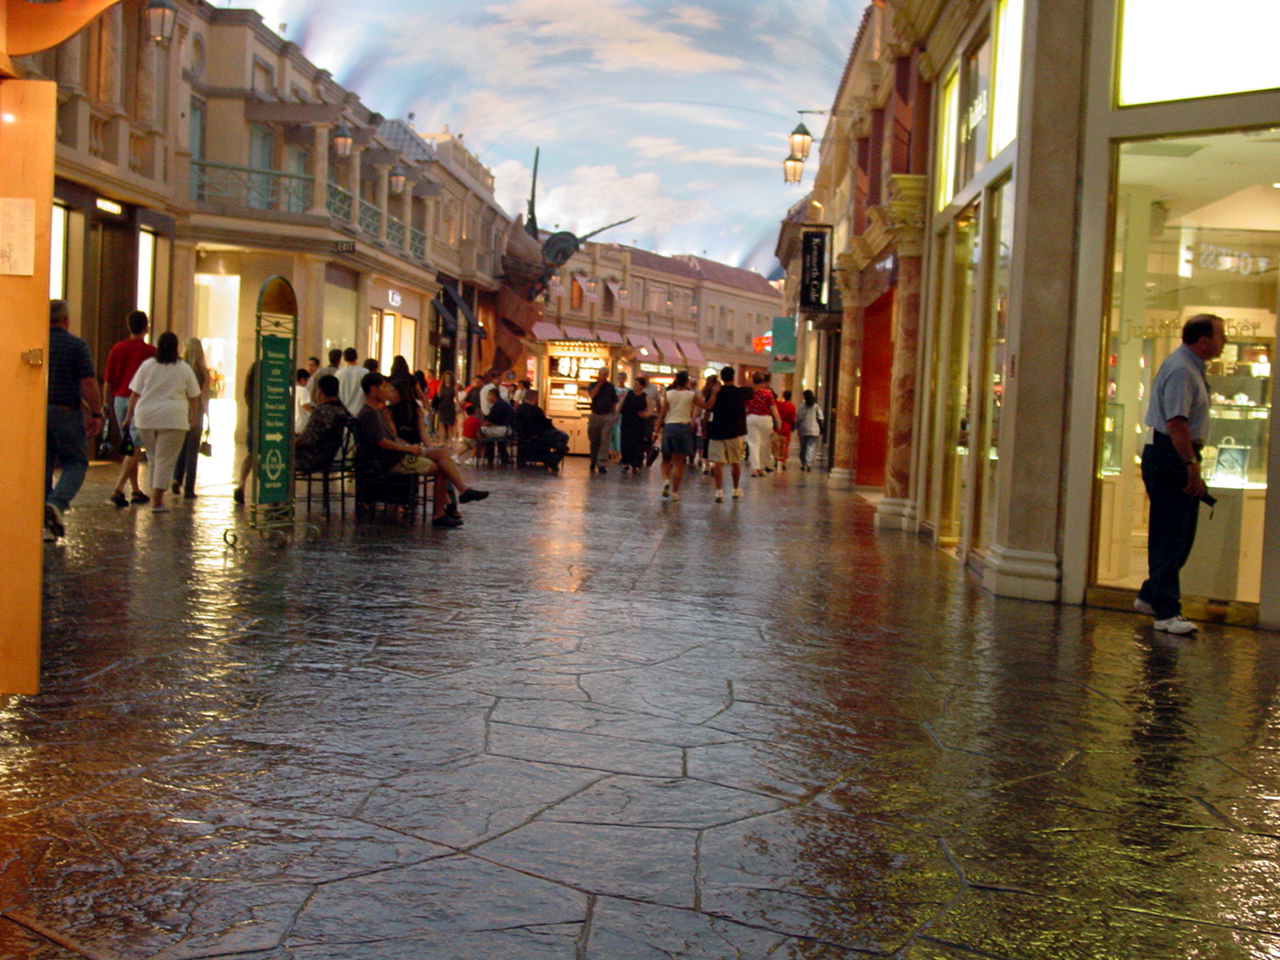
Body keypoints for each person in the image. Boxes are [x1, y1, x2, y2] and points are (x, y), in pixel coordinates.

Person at [1135, 314, 1227, 635]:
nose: (1224, 342)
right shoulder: (1182, 370)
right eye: (1221, 336)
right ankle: (1166, 611)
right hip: (1171, 455)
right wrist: (1190, 465)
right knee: (1171, 534)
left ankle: (1151, 596)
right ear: (1203, 341)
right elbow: (1177, 423)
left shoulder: (1188, 367)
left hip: (1172, 454)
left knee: (1180, 534)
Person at [353, 372, 488, 528]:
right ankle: (442, 511)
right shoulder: (370, 413)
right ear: (373, 389)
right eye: (383, 387)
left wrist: (414, 447)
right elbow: (383, 442)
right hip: (388, 460)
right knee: (440, 469)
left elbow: (394, 438)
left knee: (439, 454)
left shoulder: (377, 411)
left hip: (396, 454)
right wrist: (408, 448)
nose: (386, 391)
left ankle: (461, 493)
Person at [123, 331, 201, 513]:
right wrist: (194, 415)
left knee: (153, 457)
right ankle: (157, 500)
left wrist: (128, 416)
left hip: (145, 417)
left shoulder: (147, 366)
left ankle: (155, 494)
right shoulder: (183, 368)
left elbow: (135, 393)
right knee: (165, 459)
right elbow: (194, 396)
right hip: (173, 418)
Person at [44, 299, 103, 540]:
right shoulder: (76, 345)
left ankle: (45, 525)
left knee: (43, 466)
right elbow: (88, 382)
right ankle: (56, 504)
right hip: (67, 412)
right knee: (76, 462)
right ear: (66, 320)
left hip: (40, 412)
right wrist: (96, 413)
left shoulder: (38, 342)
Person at [104, 310, 156, 507]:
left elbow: (108, 380)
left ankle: (135, 490)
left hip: (119, 399)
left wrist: (106, 403)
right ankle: (118, 489)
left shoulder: (118, 349)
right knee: (133, 446)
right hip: (140, 401)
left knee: (130, 445)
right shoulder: (151, 352)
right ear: (146, 327)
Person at [704, 365, 751, 502]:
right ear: (733, 377)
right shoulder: (739, 392)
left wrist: (705, 426)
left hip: (717, 430)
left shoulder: (716, 392)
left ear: (722, 377)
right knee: (735, 462)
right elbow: (753, 389)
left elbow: (708, 409)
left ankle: (719, 491)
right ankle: (735, 489)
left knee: (718, 462)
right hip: (734, 431)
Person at [171, 338, 210, 499]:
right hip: (196, 411)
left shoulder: (180, 369)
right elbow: (204, 397)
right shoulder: (203, 372)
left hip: (180, 410)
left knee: (180, 447)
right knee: (192, 451)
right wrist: (207, 416)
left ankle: (176, 479)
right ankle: (189, 488)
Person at [294, 374, 351, 474]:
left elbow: (306, 440)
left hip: (313, 459)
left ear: (320, 391)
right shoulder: (341, 410)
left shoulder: (322, 412)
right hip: (331, 456)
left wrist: (290, 442)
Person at [655, 371, 696, 501]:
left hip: (669, 427)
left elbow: (662, 414)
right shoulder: (691, 395)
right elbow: (707, 406)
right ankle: (675, 492)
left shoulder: (669, 394)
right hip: (683, 428)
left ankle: (666, 480)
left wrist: (656, 431)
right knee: (679, 463)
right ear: (687, 381)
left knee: (666, 459)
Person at [513, 390, 569, 470]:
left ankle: (553, 458)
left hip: (524, 436)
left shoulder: (519, 409)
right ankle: (553, 459)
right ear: (535, 398)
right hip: (539, 435)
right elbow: (545, 425)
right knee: (564, 438)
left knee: (561, 444)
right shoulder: (536, 410)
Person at [745, 370, 781, 477]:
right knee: (764, 444)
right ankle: (761, 468)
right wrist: (778, 420)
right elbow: (773, 408)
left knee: (753, 444)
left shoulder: (749, 392)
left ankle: (754, 468)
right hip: (765, 419)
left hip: (751, 417)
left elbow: (744, 405)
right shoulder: (767, 392)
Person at [587, 366, 618, 474]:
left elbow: (614, 401)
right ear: (599, 375)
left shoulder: (610, 387)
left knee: (605, 440)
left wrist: (613, 414)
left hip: (607, 415)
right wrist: (599, 384)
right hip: (595, 415)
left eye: (607, 375)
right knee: (594, 439)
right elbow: (592, 395)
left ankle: (602, 464)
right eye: (604, 374)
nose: (605, 377)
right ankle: (593, 460)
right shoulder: (593, 385)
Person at [618, 379, 651, 475]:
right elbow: (621, 405)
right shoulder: (628, 394)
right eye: (634, 384)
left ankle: (636, 464)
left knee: (637, 443)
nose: (635, 386)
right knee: (625, 441)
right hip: (627, 421)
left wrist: (645, 415)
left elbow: (650, 410)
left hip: (638, 423)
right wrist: (617, 415)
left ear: (642, 386)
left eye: (637, 384)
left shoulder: (646, 397)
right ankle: (625, 462)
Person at [796, 389, 824, 472]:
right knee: (811, 447)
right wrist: (822, 428)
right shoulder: (816, 406)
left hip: (803, 429)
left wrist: (795, 426)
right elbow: (820, 418)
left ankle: (803, 463)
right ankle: (808, 463)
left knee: (803, 447)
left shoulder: (801, 406)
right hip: (814, 430)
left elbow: (799, 418)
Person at [335, 347, 365, 415]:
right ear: (356, 357)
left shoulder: (338, 374)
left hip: (343, 412)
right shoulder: (364, 373)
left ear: (344, 358)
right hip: (360, 411)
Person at [775, 389, 797, 470]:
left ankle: (776, 459)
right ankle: (783, 461)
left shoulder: (778, 404)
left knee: (777, 443)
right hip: (787, 426)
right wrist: (793, 427)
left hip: (778, 425)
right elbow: (793, 418)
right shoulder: (792, 406)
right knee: (785, 444)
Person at [433, 369, 458, 441]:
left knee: (450, 425)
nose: (447, 379)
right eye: (446, 377)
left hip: (450, 406)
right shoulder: (440, 387)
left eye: (449, 377)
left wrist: (458, 406)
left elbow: (456, 398)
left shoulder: (454, 387)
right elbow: (438, 396)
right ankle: (441, 440)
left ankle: (450, 441)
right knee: (441, 424)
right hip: (442, 406)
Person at [294, 368, 312, 434]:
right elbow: (305, 405)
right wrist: (314, 412)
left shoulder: (291, 389)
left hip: (294, 422)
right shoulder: (303, 390)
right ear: (303, 380)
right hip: (301, 423)